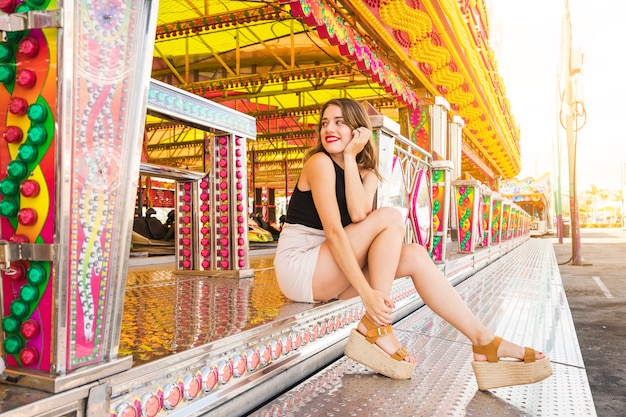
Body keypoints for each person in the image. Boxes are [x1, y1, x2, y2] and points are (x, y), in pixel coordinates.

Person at [273, 98, 552, 389]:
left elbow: (357, 213)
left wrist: (353, 157)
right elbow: (335, 231)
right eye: (325, 122)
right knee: (390, 217)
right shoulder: (318, 163)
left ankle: (483, 342)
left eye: (340, 122)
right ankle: (377, 325)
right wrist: (368, 293)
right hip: (302, 267)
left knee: (416, 255)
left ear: (358, 130)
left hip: (330, 268)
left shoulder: (366, 173)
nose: (329, 128)